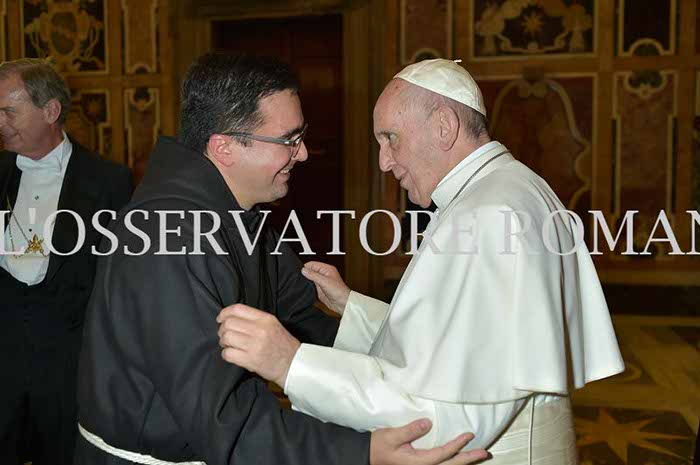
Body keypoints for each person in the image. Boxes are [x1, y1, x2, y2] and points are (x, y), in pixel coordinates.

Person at [74, 53, 487, 465]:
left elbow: (306, 322)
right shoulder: (168, 241)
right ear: (224, 147)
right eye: (289, 140)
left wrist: (408, 375)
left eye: (300, 136)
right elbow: (224, 422)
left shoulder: (238, 215)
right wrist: (362, 453)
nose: (303, 153)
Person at [217, 58, 626, 464]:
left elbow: (446, 425)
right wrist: (351, 306)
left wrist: (292, 364)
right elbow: (450, 340)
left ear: (444, 126)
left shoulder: (489, 214)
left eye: (391, 138)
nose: (384, 161)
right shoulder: (505, 188)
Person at [0, 58, 133, 465]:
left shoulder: (109, 181)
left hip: (69, 370)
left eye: (8, 111)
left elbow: (119, 284)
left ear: (51, 110)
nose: (0, 122)